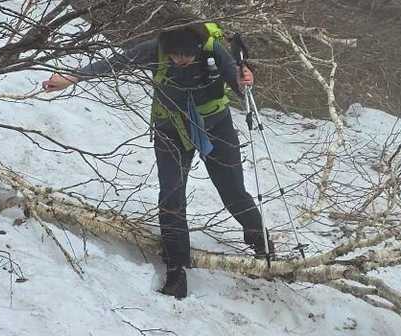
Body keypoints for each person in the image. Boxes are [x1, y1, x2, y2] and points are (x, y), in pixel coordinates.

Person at [42, 21, 267, 300]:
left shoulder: (213, 50)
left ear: (198, 47)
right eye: (175, 56)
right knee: (171, 196)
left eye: (186, 56)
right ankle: (176, 269)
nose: (180, 61)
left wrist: (245, 79)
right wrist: (71, 77)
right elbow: (115, 62)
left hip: (215, 126)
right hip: (170, 128)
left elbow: (238, 84)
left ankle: (261, 243)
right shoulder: (156, 49)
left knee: (233, 191)